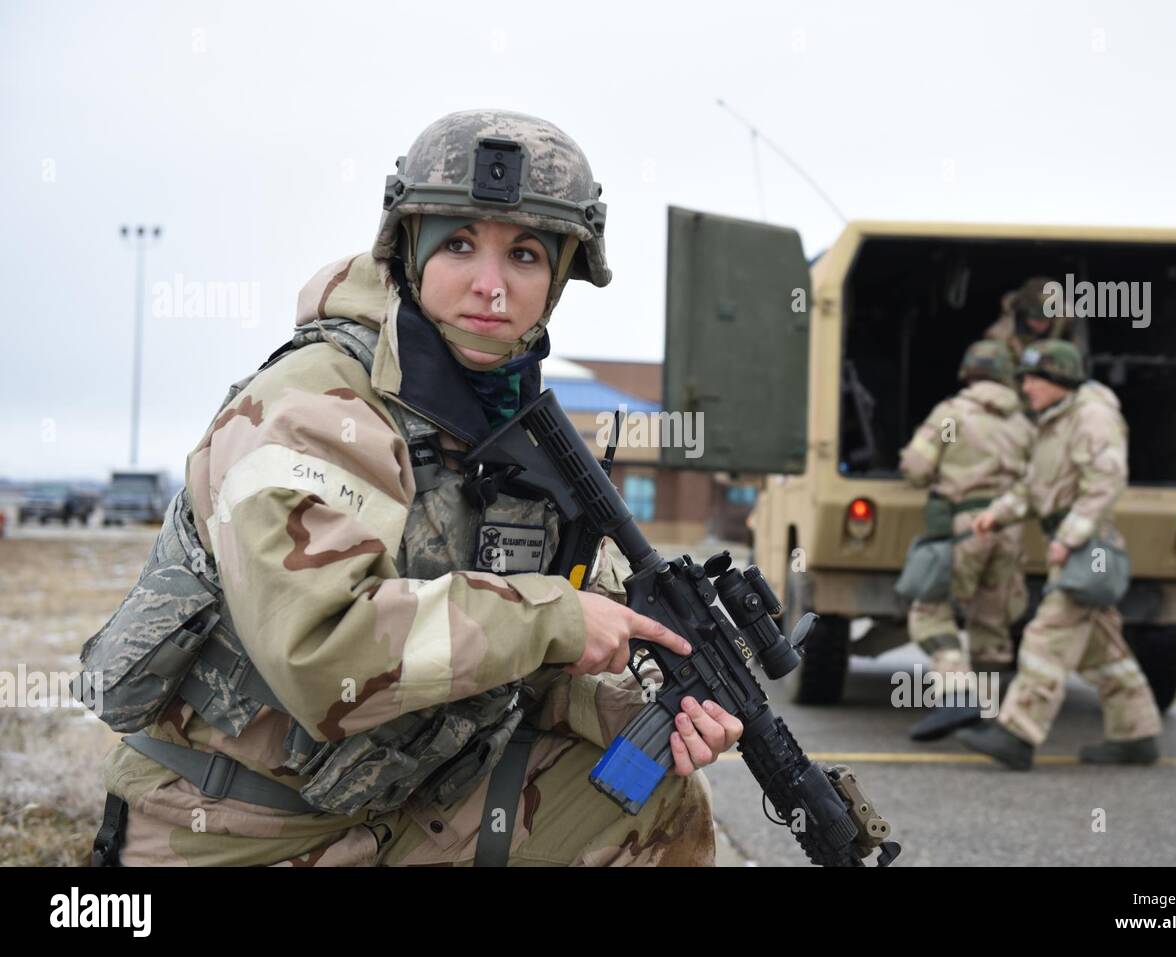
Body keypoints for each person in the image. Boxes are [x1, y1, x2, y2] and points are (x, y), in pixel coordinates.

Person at [87, 110, 738, 866]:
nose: (490, 286)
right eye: (459, 245)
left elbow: (552, 650)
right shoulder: (313, 405)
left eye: (524, 254)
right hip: (235, 825)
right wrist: (555, 617)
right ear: (409, 252)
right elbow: (324, 657)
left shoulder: (518, 429)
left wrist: (651, 705)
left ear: (556, 280)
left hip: (402, 799)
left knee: (652, 796)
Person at [957, 340, 1161, 770]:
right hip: (1078, 546)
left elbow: (1107, 482)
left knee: (1044, 638)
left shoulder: (1092, 417)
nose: (1025, 387)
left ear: (1058, 381)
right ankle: (1136, 735)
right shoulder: (1054, 422)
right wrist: (997, 515)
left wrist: (1068, 538)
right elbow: (1035, 488)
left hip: (1088, 548)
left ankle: (1017, 734)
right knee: (1105, 651)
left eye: (1033, 378)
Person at [898, 340, 1034, 741]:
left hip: (965, 528)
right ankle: (987, 713)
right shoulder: (1024, 423)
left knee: (929, 610)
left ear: (969, 374)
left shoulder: (953, 413)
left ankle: (956, 693)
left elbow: (916, 467)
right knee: (992, 621)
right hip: (1009, 529)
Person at [984, 276, 1088, 364]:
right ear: (1024, 314)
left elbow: (1077, 358)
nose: (1042, 325)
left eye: (1047, 319)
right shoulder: (1002, 334)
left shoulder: (1064, 321)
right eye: (1036, 319)